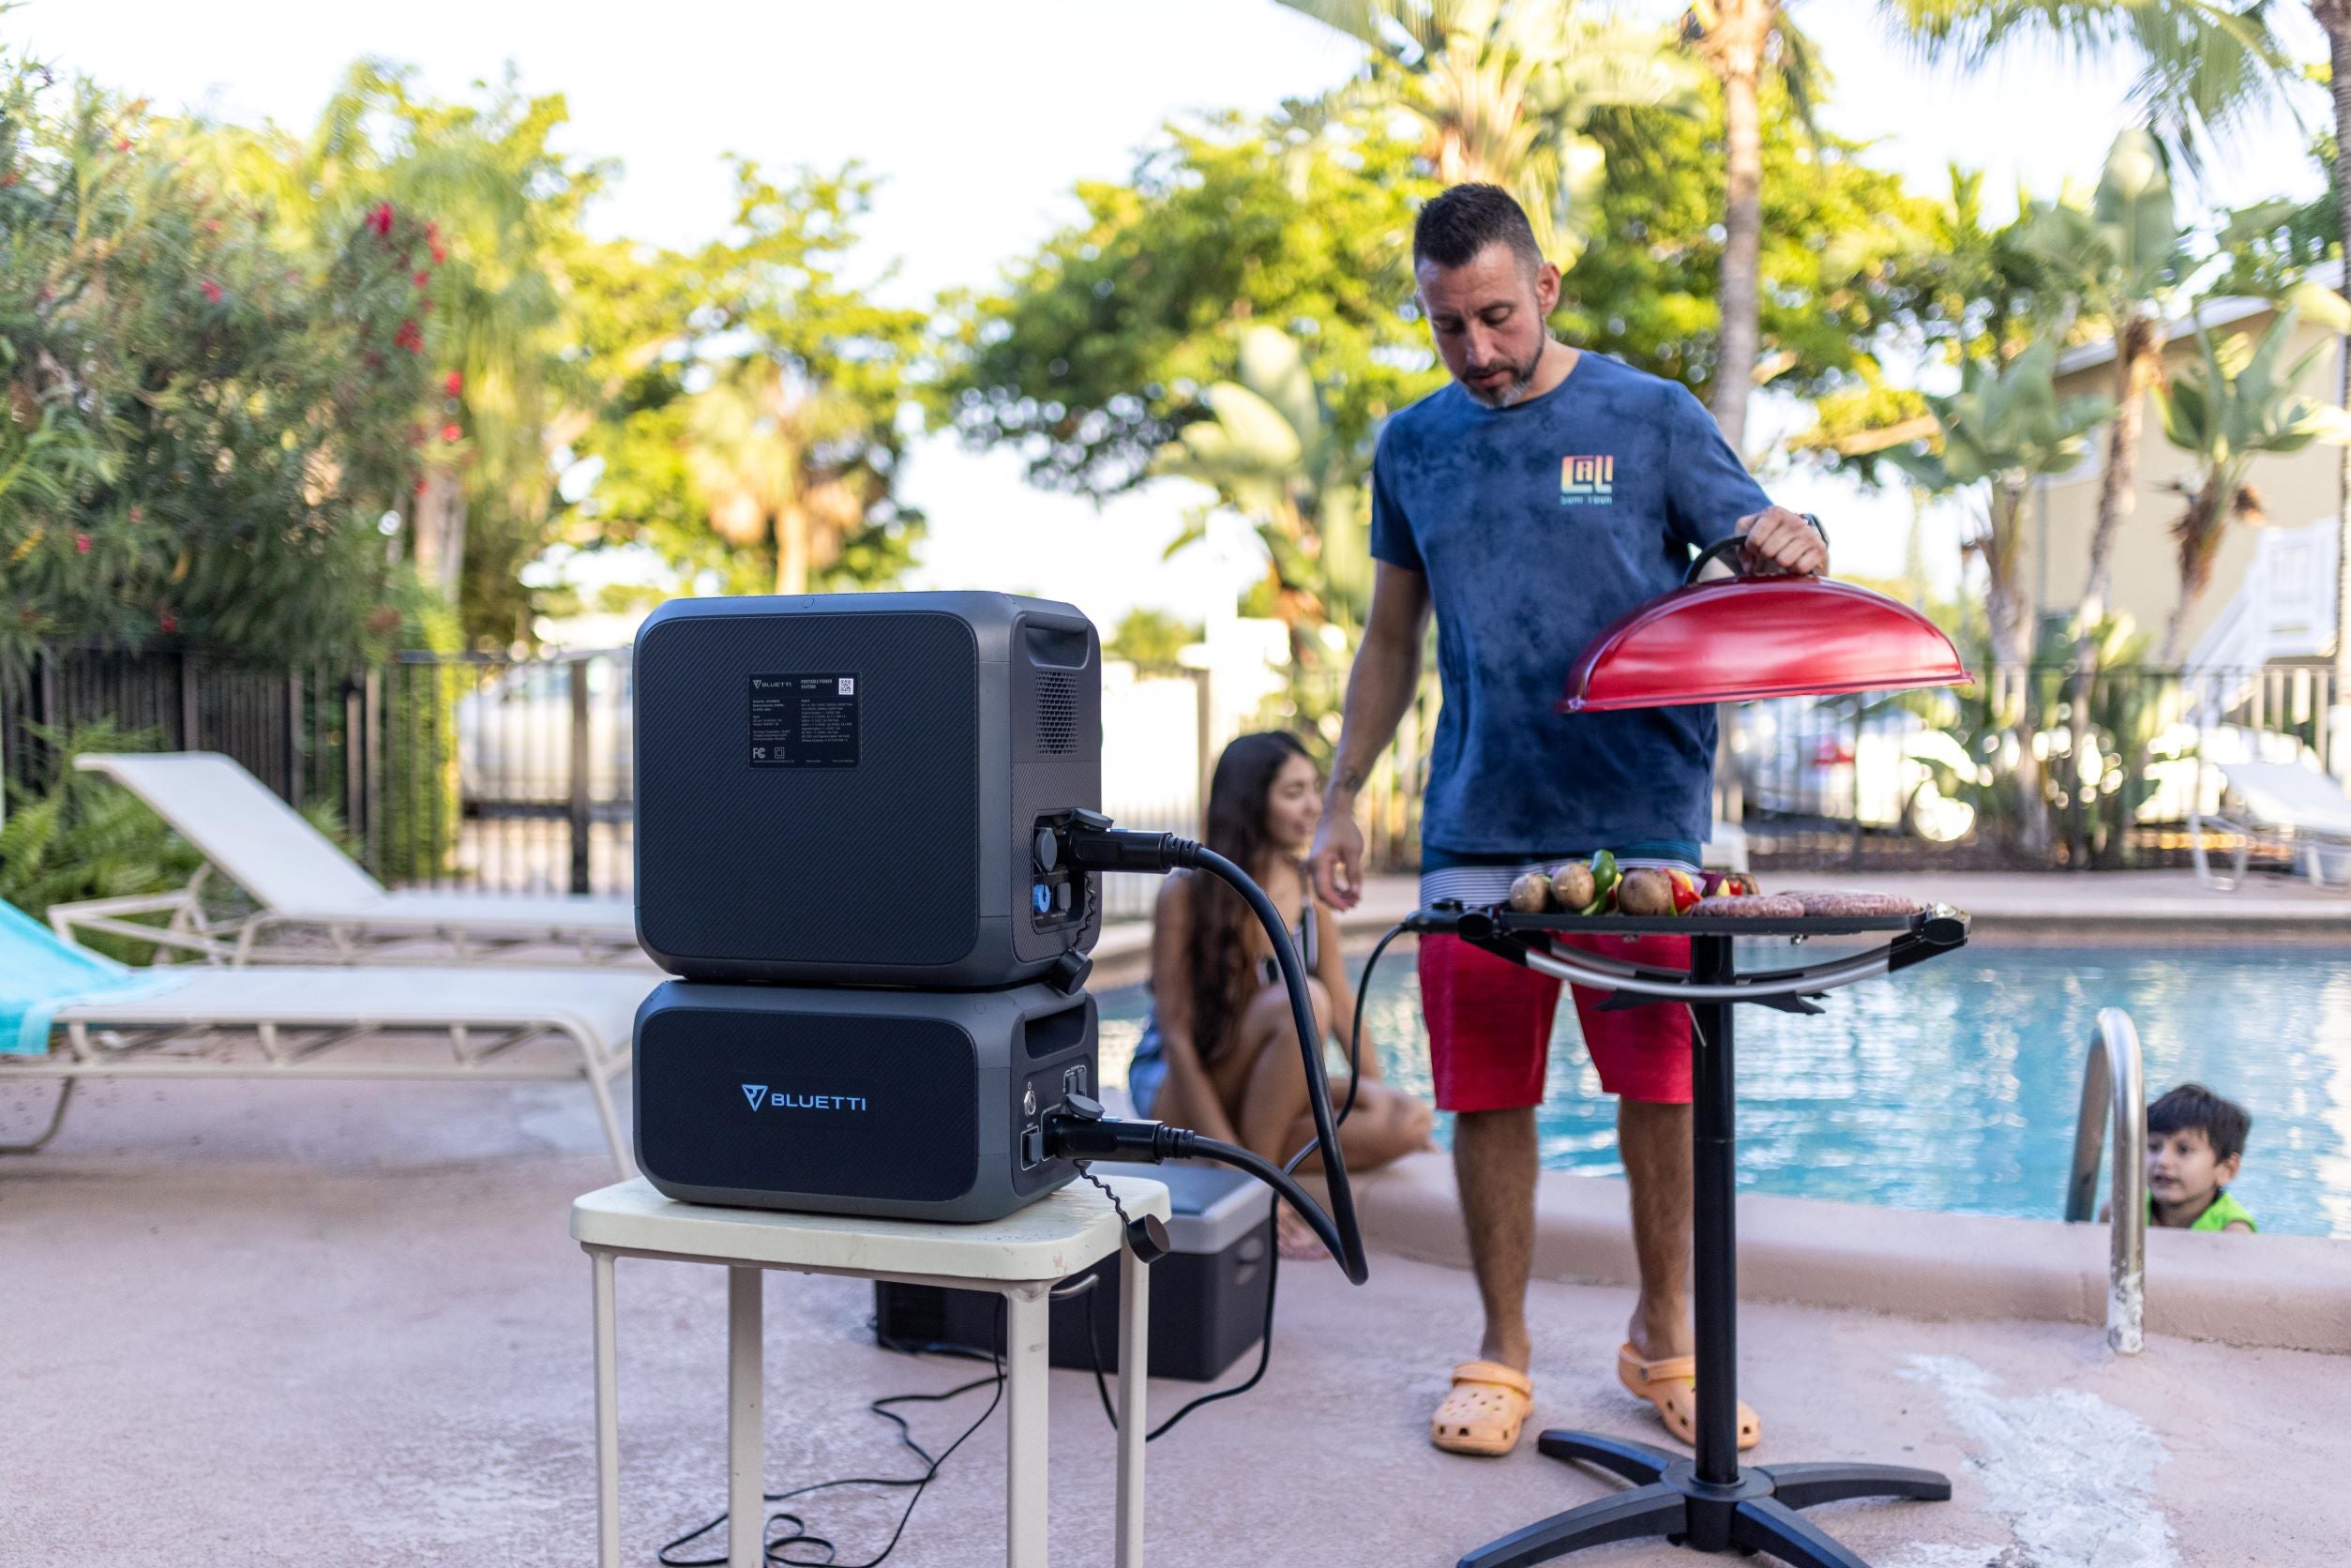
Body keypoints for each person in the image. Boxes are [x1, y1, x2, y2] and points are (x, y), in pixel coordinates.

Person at [1306, 183, 1829, 1458]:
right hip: (1475, 817)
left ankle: (1663, 1338)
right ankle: (1501, 1347)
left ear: (1543, 287)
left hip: (1638, 818)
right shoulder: (1411, 445)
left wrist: (1797, 532)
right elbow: (1388, 635)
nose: (1475, 352)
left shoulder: (1647, 418)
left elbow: (1767, 544)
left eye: (1494, 316)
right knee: (1487, 1094)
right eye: (1446, 330)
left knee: (1657, 1085)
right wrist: (1337, 794)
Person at [1127, 731, 1434, 1254]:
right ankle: (1257, 1189)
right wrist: (1239, 1171)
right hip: (1181, 1086)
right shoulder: (1189, 892)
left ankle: (1250, 1159)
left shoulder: (1309, 893)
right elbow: (1177, 1041)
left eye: (1314, 789)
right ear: (1251, 801)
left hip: (1260, 1094)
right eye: (1294, 792)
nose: (1314, 805)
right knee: (1306, 1002)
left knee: (1408, 1119)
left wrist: (1373, 1095)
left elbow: (1347, 1017)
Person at [2147, 1082, 2257, 1232]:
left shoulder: (2233, 1230)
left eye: (2183, 1150)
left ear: (2226, 1170)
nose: (2163, 1161)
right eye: (2153, 1147)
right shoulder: (2120, 1212)